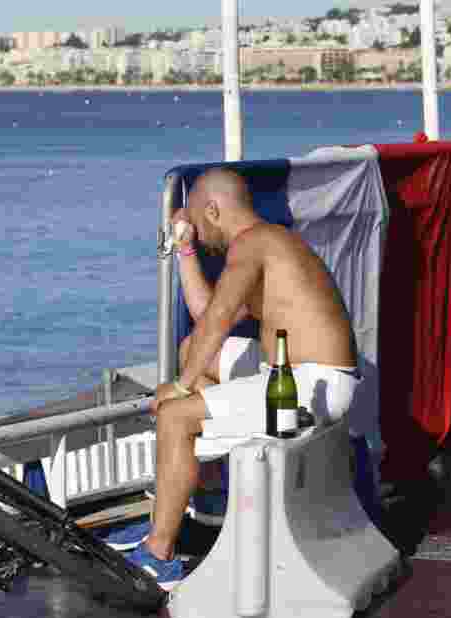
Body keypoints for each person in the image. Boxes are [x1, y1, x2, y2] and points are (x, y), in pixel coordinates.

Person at [124, 167, 363, 589]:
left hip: (311, 384)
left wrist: (179, 389)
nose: (198, 235)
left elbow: (215, 321)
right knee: (193, 354)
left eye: (197, 226)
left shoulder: (254, 244)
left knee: (175, 417)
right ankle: (208, 487)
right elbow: (206, 317)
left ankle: (158, 556)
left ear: (214, 210)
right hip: (298, 373)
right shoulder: (268, 243)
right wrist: (184, 249)